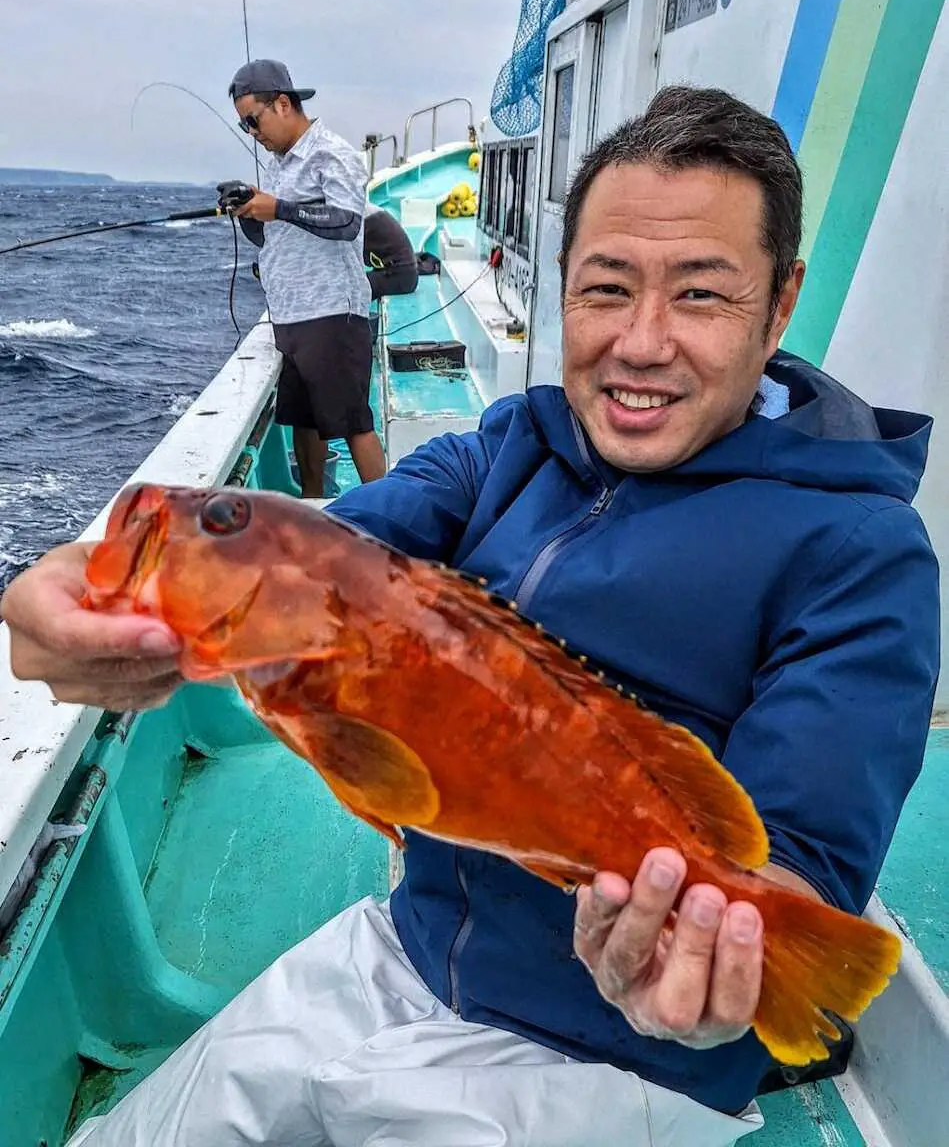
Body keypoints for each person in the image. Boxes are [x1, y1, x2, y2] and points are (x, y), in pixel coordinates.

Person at [2, 86, 939, 1146]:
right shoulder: (503, 447)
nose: (640, 342)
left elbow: (797, 856)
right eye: (605, 288)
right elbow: (325, 553)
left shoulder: (860, 554)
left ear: (778, 308)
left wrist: (704, 961)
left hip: (600, 1058)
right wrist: (77, 582)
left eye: (700, 297)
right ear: (562, 296)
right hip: (398, 949)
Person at [221, 58, 386, 498]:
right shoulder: (281, 164)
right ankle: (313, 504)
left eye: (253, 121)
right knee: (306, 423)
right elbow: (270, 237)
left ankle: (393, 521)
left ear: (281, 103)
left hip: (333, 314)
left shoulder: (330, 153)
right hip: (292, 318)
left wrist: (279, 207)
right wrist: (247, 212)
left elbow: (347, 221)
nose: (253, 134)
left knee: (355, 425)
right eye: (245, 128)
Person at [363, 201, 419, 301]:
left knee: (348, 289)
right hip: (400, 273)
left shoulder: (353, 217)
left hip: (398, 277)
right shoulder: (368, 210)